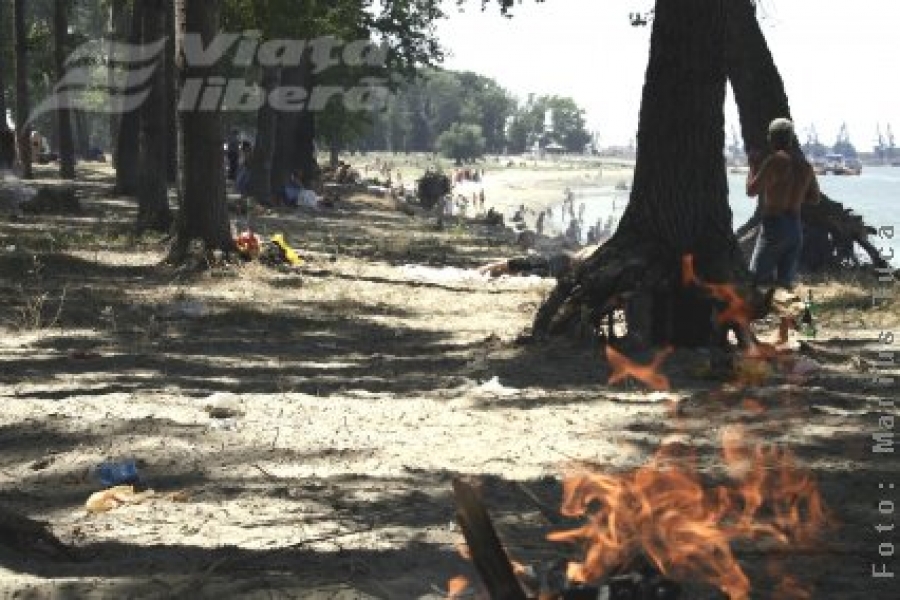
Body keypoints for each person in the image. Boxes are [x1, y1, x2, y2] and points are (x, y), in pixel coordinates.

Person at [746, 118, 821, 290]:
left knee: (756, 281)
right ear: (791, 138)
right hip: (795, 227)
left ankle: (759, 314)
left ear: (772, 138)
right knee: (785, 286)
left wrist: (753, 165)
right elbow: (815, 198)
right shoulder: (806, 165)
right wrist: (794, 197)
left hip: (774, 226)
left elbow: (751, 191)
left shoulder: (775, 161)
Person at [478, 244, 600, 280]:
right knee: (523, 266)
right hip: (558, 263)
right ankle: (488, 269)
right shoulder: (595, 252)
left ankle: (488, 270)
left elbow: (577, 258)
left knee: (523, 266)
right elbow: (576, 261)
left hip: (557, 262)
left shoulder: (595, 249)